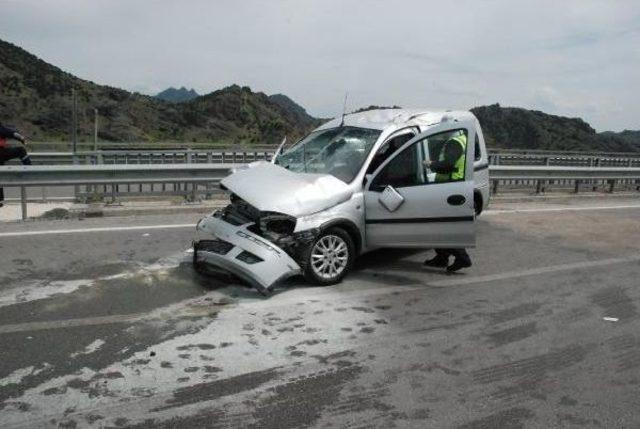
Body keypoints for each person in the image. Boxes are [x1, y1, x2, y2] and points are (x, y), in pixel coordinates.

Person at [422, 132, 472, 272]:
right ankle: (442, 257)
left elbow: (448, 165)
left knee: (442, 227)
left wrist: (430, 164)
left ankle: (462, 258)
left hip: (449, 188)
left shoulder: (455, 142)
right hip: (454, 186)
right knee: (443, 226)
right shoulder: (464, 140)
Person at [0, 122, 31, 208]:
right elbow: (13, 134)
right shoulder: (1, 128)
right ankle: (29, 170)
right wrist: (22, 139)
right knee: (21, 150)